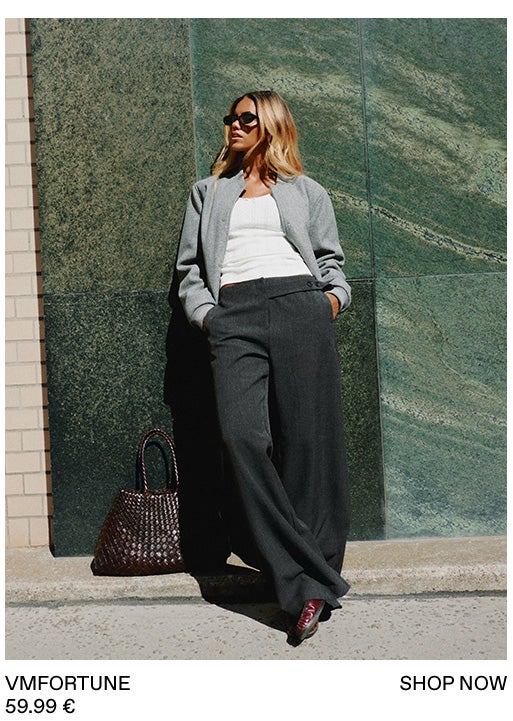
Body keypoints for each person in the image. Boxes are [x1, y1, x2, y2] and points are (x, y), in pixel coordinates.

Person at [176, 90, 351, 643]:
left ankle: (305, 587)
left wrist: (330, 302)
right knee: (243, 438)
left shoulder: (306, 191)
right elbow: (190, 270)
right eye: (230, 117)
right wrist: (209, 317)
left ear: (270, 125)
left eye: (245, 118)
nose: (233, 125)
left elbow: (330, 260)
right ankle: (310, 573)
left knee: (306, 444)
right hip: (234, 314)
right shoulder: (208, 192)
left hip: (300, 306)